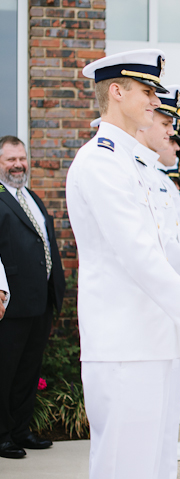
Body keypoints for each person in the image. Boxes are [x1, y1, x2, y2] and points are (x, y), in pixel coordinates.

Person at [66, 49, 180, 479]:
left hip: (157, 337)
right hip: (125, 342)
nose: (153, 100)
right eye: (147, 91)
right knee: (125, 466)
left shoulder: (137, 166)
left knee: (158, 465)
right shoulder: (101, 163)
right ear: (116, 91)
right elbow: (136, 254)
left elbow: (163, 248)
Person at [0, 136, 66, 459]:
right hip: (11, 304)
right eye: (10, 159)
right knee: (5, 371)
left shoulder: (31, 196)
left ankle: (21, 431)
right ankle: (1, 436)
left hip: (41, 302)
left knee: (28, 371)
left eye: (21, 158)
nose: (18, 165)